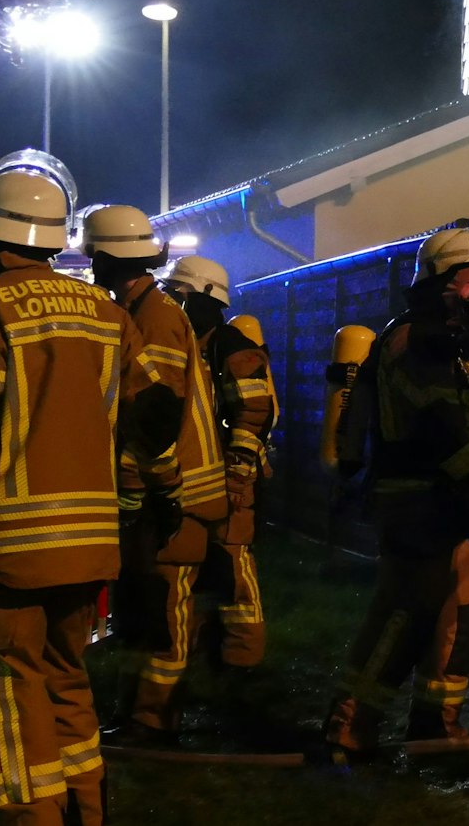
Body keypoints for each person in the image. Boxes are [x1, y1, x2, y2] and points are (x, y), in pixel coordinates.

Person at [0, 170, 180, 824]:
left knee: (12, 702)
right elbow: (155, 414)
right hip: (91, 549)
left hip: (6, 553)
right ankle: (86, 814)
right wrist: (131, 491)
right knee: (67, 683)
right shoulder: (109, 312)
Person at [321, 227, 469, 761]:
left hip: (446, 501)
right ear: (441, 282)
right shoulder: (414, 339)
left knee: (460, 614)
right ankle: (347, 728)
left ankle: (434, 725)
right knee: (406, 615)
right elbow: (434, 421)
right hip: (416, 502)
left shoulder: (450, 340)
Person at [77, 207, 212, 746]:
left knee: (167, 605)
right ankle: (139, 715)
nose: (91, 268)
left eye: (95, 258)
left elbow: (152, 419)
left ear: (111, 259)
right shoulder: (144, 309)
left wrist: (141, 492)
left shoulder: (152, 318)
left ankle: (156, 721)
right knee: (150, 604)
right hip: (165, 486)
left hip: (174, 489)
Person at [157, 255, 279, 680]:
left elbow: (254, 415)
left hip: (232, 480)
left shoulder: (231, 347)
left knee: (234, 569)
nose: (172, 303)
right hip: (196, 479)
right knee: (194, 571)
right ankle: (203, 656)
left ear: (207, 299)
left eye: (180, 295)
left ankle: (242, 663)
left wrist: (236, 477)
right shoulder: (184, 343)